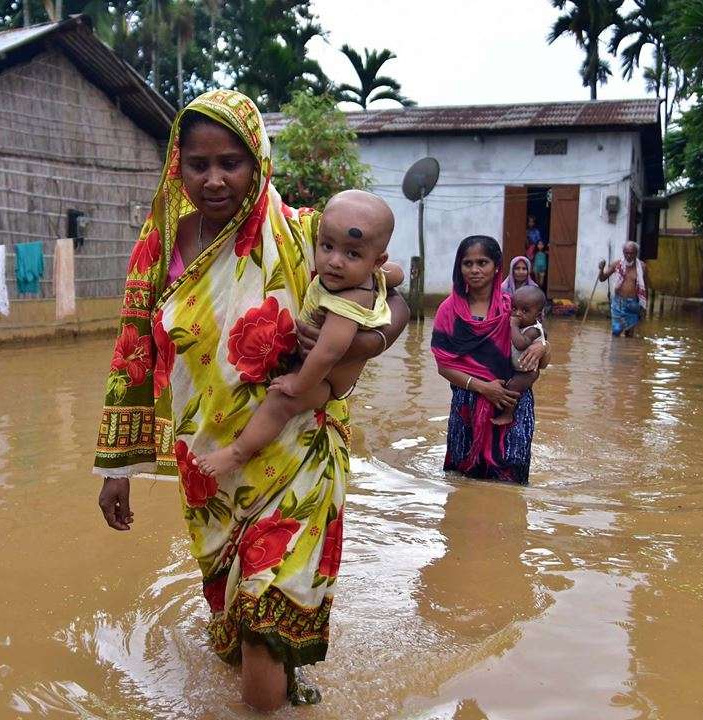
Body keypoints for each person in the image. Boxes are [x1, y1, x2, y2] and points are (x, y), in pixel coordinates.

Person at [93, 90, 410, 712]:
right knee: (240, 626)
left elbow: (394, 292)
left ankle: (267, 690)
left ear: (258, 161)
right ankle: (282, 683)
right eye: (198, 164)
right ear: (175, 166)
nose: (214, 179)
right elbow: (131, 355)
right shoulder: (158, 248)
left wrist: (371, 339)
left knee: (267, 609)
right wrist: (116, 470)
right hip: (210, 466)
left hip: (298, 454)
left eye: (231, 162)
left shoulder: (302, 234)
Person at [197, 190, 403, 478]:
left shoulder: (346, 301)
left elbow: (329, 351)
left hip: (324, 381)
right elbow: (396, 275)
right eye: (327, 246)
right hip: (325, 372)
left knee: (280, 404)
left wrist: (298, 384)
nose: (335, 261)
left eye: (352, 253)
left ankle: (237, 452)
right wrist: (388, 272)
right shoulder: (370, 274)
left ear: (376, 261)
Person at [432, 235, 548, 483]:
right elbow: (443, 366)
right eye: (467, 263)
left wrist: (541, 349)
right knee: (462, 479)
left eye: (482, 263)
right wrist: (484, 387)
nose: (474, 270)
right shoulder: (448, 311)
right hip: (468, 401)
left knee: (512, 479)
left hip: (512, 400)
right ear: (459, 268)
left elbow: (543, 359)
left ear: (496, 267)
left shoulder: (513, 308)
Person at [492, 285, 546, 427]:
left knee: (512, 387)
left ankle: (507, 415)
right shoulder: (521, 325)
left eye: (525, 311)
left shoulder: (533, 330)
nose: (518, 314)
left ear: (538, 315)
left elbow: (520, 344)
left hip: (528, 372)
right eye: (514, 309)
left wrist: (513, 326)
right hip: (517, 368)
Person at [597, 240, 648, 337]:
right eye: (626, 253)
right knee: (616, 331)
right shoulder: (617, 264)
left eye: (631, 253)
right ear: (623, 252)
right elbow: (602, 278)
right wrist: (601, 269)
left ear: (636, 253)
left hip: (633, 304)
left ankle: (627, 351)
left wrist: (644, 307)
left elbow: (645, 288)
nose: (628, 256)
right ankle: (616, 351)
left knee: (629, 334)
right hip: (618, 303)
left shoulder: (642, 267)